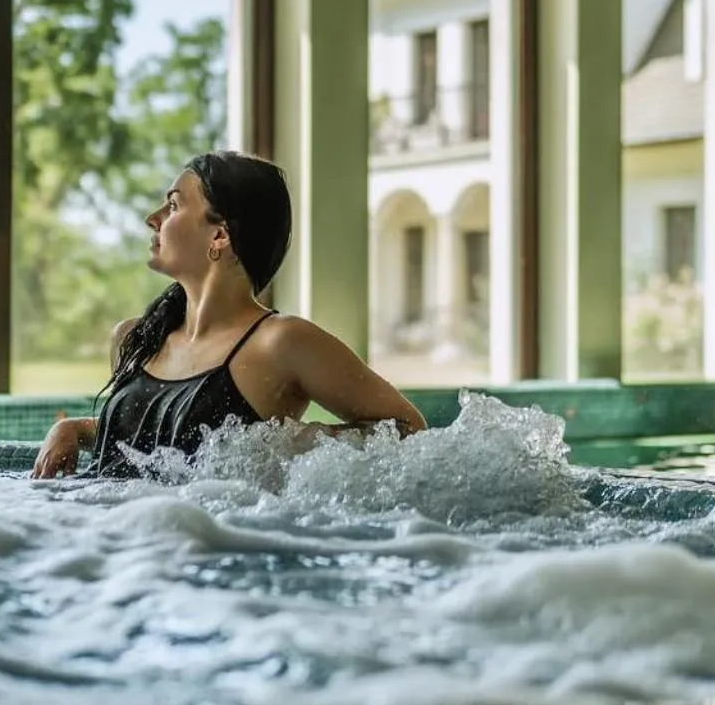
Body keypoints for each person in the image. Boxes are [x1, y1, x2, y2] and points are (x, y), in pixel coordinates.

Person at [33, 151, 426, 478]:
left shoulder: (279, 342)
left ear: (219, 236)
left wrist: (299, 443)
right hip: (119, 549)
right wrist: (72, 429)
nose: (153, 219)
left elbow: (408, 429)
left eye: (172, 205)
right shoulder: (137, 337)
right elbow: (151, 447)